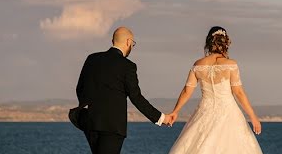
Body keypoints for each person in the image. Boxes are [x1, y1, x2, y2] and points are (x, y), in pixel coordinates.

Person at [75, 26, 174, 154]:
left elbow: (80, 89)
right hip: (113, 127)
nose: (132, 47)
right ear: (128, 42)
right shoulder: (128, 66)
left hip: (90, 123)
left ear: (113, 41)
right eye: (133, 44)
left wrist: (91, 110)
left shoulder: (92, 59)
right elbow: (136, 98)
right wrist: (161, 118)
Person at [166, 26, 263, 154]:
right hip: (229, 113)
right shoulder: (231, 65)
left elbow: (187, 91)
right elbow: (238, 92)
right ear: (226, 43)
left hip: (204, 112)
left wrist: (175, 111)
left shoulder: (198, 65)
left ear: (208, 43)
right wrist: (253, 116)